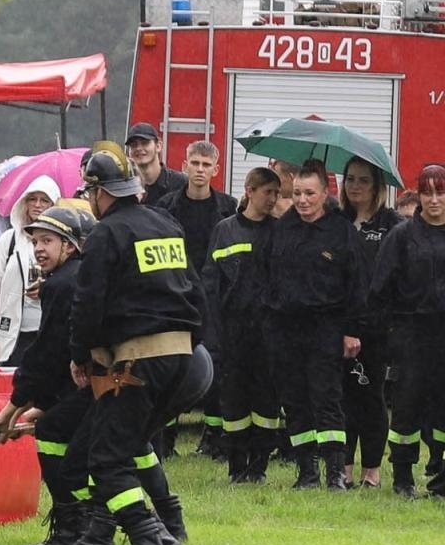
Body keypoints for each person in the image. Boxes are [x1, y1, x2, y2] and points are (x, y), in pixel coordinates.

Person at [68, 145, 204, 545]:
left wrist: (80, 355)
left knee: (107, 458)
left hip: (137, 361)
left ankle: (149, 539)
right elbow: (195, 289)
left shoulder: (105, 234)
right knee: (124, 443)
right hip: (184, 357)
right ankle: (101, 536)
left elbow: (88, 304)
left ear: (101, 192)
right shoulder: (166, 224)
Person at [0, 202, 96, 545]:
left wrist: (11, 409)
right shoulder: (74, 277)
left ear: (70, 247)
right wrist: (41, 404)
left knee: (51, 433)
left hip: (97, 383)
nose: (39, 249)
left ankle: (75, 526)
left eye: (48, 241)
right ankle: (84, 526)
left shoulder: (62, 284)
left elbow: (48, 353)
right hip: (98, 382)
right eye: (35, 242)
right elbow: (60, 358)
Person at [259, 160, 365, 490]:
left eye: (309, 193)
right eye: (297, 193)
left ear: (325, 193)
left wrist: (352, 330)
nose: (302, 200)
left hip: (325, 327)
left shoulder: (340, 230)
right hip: (285, 328)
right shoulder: (283, 228)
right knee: (294, 400)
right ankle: (306, 471)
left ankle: (335, 472)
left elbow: (356, 284)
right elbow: (268, 275)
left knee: (326, 398)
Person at [152, 140, 237, 455]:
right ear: (184, 165)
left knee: (215, 365)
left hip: (214, 300)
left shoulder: (229, 207)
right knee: (171, 365)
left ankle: (213, 438)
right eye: (195, 163)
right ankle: (166, 438)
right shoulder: (165, 207)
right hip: (175, 298)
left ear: (216, 169)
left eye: (206, 165)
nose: (200, 170)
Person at [367, 165, 445, 498]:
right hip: (411, 333)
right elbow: (379, 289)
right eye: (427, 193)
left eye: (440, 192)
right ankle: (402, 476)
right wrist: (390, 331)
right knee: (407, 406)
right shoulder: (402, 236)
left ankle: (441, 476)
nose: (434, 200)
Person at [201, 166, 282, 483]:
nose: (273, 199)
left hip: (268, 334)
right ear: (250, 191)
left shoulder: (279, 231)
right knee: (233, 401)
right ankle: (237, 466)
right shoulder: (225, 230)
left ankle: (259, 466)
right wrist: (212, 334)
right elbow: (211, 283)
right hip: (233, 333)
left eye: (276, 193)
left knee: (266, 403)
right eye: (268, 192)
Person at [338, 156, 400, 488]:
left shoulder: (392, 224)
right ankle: (345, 466)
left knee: (371, 396)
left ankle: (372, 469)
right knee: (343, 396)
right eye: (350, 179)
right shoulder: (337, 220)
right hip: (341, 324)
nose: (356, 186)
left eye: (364, 180)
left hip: (377, 327)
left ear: (377, 186)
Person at [0, 176, 59, 366]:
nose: (37, 205)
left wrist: (47, 288)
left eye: (44, 200)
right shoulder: (9, 240)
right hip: (14, 337)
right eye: (32, 199)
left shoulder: (63, 244)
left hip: (50, 335)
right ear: (24, 203)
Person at [124, 122, 186, 203]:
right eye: (133, 145)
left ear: (158, 146)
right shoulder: (126, 188)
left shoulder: (181, 183)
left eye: (144, 143)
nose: (138, 148)